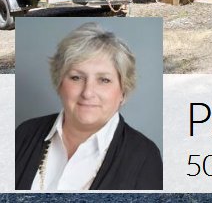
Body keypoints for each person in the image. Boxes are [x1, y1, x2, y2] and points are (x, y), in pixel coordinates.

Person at [14, 22, 162, 190]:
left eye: (104, 80)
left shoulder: (145, 157)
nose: (88, 92)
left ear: (123, 91)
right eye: (76, 78)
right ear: (59, 83)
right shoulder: (24, 134)